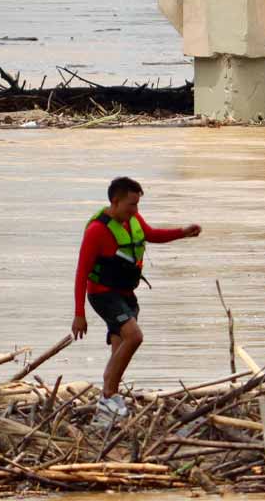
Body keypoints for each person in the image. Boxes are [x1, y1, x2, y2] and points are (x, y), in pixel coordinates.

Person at [72, 176, 201, 422]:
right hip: (103, 295)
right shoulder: (97, 231)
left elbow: (151, 234)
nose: (136, 210)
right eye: (131, 204)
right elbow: (81, 273)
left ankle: (109, 403)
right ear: (115, 201)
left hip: (126, 295)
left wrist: (182, 233)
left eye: (137, 204)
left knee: (120, 346)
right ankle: (108, 392)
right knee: (135, 336)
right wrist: (79, 313)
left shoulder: (133, 220)